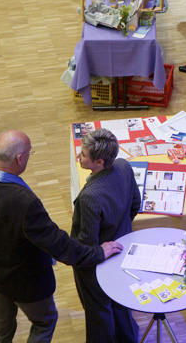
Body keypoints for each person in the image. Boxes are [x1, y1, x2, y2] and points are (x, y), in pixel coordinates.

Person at [0, 130, 122, 342]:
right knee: (45, 322)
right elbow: (60, 245)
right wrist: (98, 252)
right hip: (25, 283)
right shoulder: (24, 203)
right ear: (20, 158)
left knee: (1, 331)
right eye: (29, 153)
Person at [71, 128, 141, 343]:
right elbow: (135, 204)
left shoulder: (90, 196)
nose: (78, 157)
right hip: (122, 250)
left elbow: (87, 243)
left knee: (98, 312)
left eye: (83, 155)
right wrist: (120, 232)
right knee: (120, 303)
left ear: (99, 161)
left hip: (96, 263)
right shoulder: (123, 166)